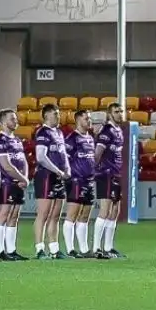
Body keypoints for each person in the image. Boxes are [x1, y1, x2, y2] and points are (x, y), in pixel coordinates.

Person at [32, 103, 71, 260]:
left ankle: (54, 249)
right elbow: (41, 157)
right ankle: (39, 249)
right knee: (43, 214)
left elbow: (63, 154)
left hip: (58, 177)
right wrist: (58, 171)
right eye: (55, 114)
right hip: (46, 176)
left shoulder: (59, 133)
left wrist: (67, 169)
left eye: (58, 113)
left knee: (55, 215)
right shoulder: (42, 132)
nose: (58, 116)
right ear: (46, 115)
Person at [0, 109, 29, 261]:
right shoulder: (0, 141)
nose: (16, 121)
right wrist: (23, 178)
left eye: (15, 118)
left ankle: (11, 250)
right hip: (6, 183)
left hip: (19, 183)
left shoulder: (17, 140)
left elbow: (23, 160)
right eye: (12, 119)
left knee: (14, 216)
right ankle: (0, 251)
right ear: (3, 122)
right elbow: (6, 166)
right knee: (3, 215)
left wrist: (24, 177)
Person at [93, 102, 127, 259]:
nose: (120, 114)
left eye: (121, 111)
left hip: (116, 173)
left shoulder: (119, 130)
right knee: (105, 210)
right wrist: (95, 170)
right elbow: (97, 153)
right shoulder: (106, 131)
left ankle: (108, 247)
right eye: (116, 111)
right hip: (105, 174)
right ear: (109, 114)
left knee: (115, 211)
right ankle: (96, 248)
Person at [63, 109, 97, 258]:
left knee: (84, 216)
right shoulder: (72, 138)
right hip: (76, 180)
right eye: (86, 119)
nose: (89, 121)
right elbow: (65, 159)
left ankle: (84, 249)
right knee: (72, 215)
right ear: (77, 121)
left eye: (89, 118)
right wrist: (68, 176)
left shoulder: (90, 138)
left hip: (89, 181)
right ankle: (70, 250)